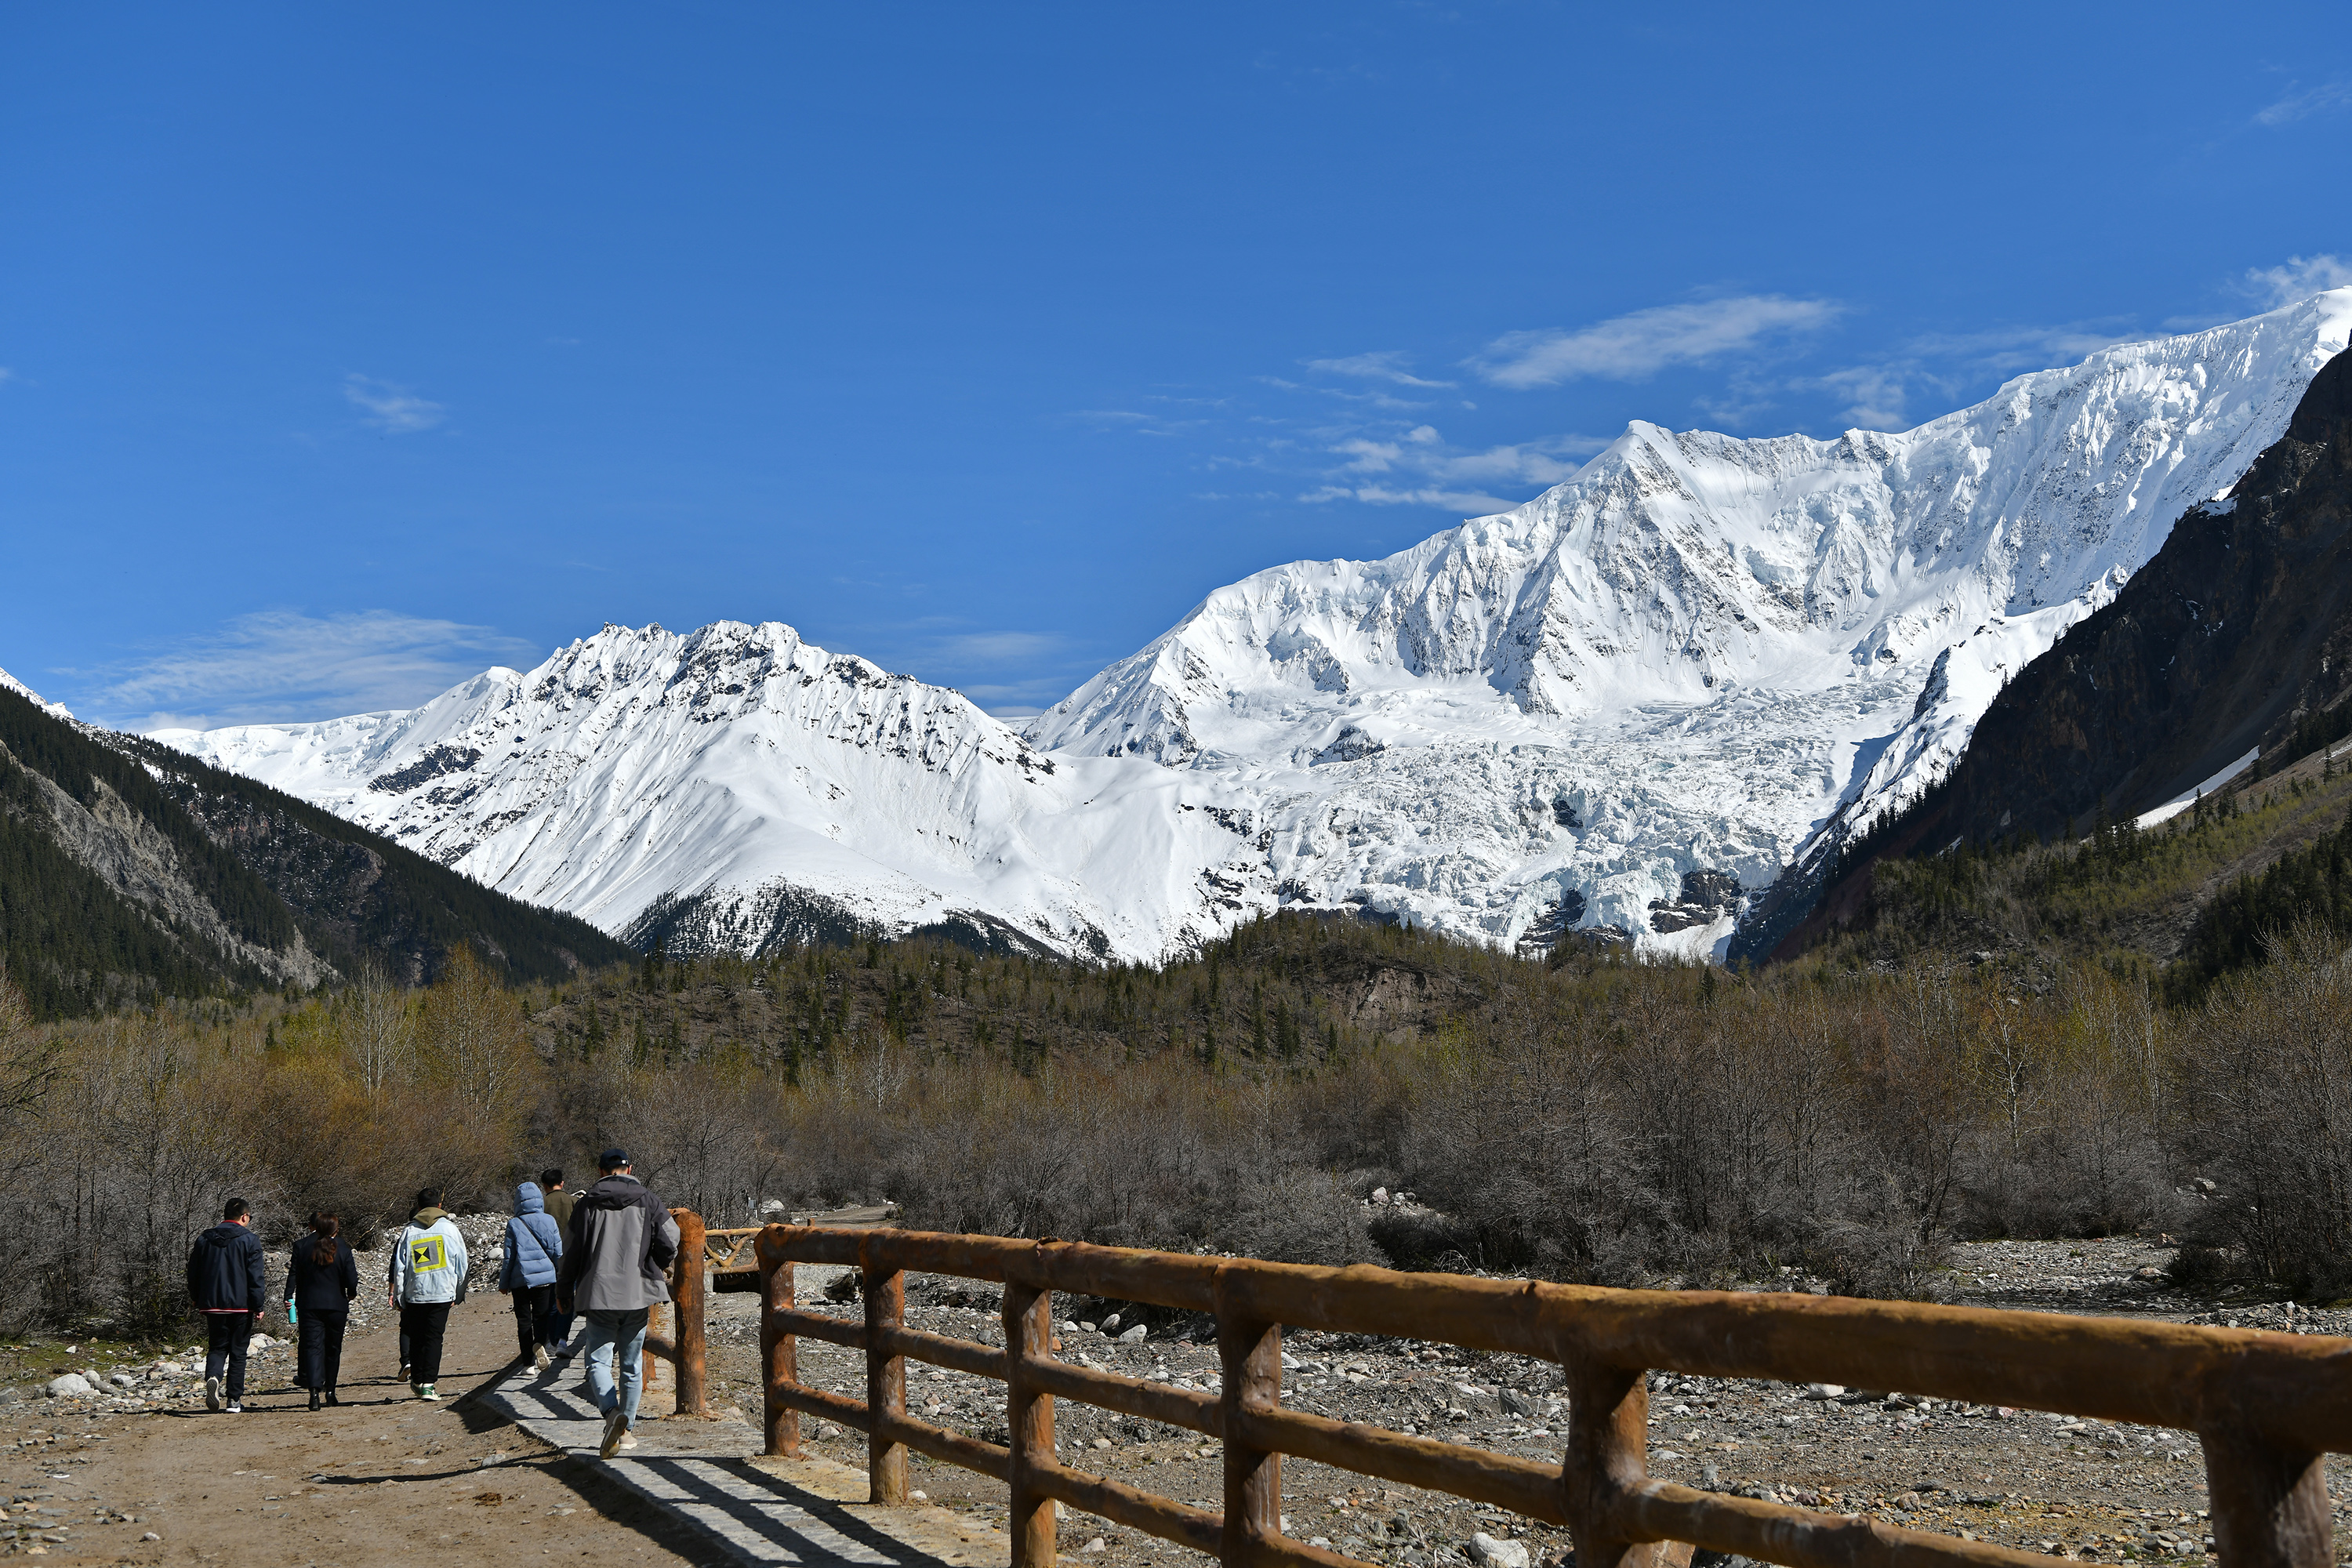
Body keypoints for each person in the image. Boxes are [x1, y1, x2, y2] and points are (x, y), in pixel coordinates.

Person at [557, 1149, 679, 1458]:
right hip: (637, 1293)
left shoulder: (586, 1204)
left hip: (598, 1294)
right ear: (630, 1169)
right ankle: (626, 1432)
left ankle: (611, 1413)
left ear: (601, 1172)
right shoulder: (648, 1199)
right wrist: (658, 1262)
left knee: (597, 1360)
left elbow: (569, 1252)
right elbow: (671, 1238)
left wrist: (563, 1292)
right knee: (631, 1363)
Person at [185, 1196, 267, 1414]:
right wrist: (259, 1305)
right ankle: (234, 1400)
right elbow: (255, 1277)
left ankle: (213, 1375)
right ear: (244, 1216)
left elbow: (193, 1271)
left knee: (217, 1346)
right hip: (241, 1305)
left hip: (212, 1304)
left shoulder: (204, 1239)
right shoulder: (250, 1240)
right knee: (238, 1351)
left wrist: (196, 1296)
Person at [388, 1187, 468, 1402]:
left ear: (419, 1206)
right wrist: (458, 1292)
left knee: (416, 1338)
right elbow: (462, 1263)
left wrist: (400, 1295)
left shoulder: (409, 1231)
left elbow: (400, 1267)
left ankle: (417, 1379)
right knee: (434, 1339)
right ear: (440, 1206)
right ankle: (429, 1385)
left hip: (415, 1294)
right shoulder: (450, 1229)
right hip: (442, 1294)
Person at [285, 1211, 359, 1410]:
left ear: (316, 1227)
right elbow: (351, 1279)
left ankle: (313, 1392)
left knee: (312, 1347)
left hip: (309, 1305)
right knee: (333, 1348)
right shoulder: (343, 1248)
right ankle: (331, 1391)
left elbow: (294, 1274)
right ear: (335, 1229)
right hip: (336, 1305)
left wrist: (289, 1295)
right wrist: (351, 1293)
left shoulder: (302, 1247)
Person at [499, 1181, 564, 1370]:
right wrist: (561, 1275)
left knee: (523, 1320)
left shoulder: (514, 1223)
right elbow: (557, 1252)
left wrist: (504, 1283)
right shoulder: (549, 1220)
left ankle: (527, 1363)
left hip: (520, 1280)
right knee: (541, 1317)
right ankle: (539, 1345)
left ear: (518, 1202)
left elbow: (508, 1257)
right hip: (545, 1279)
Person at [539, 1168, 579, 1356]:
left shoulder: (540, 1204)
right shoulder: (574, 1202)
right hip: (571, 1259)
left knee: (550, 1302)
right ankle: (562, 1340)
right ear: (562, 1183)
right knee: (567, 1298)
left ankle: (550, 1341)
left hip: (545, 1260)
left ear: (544, 1186)